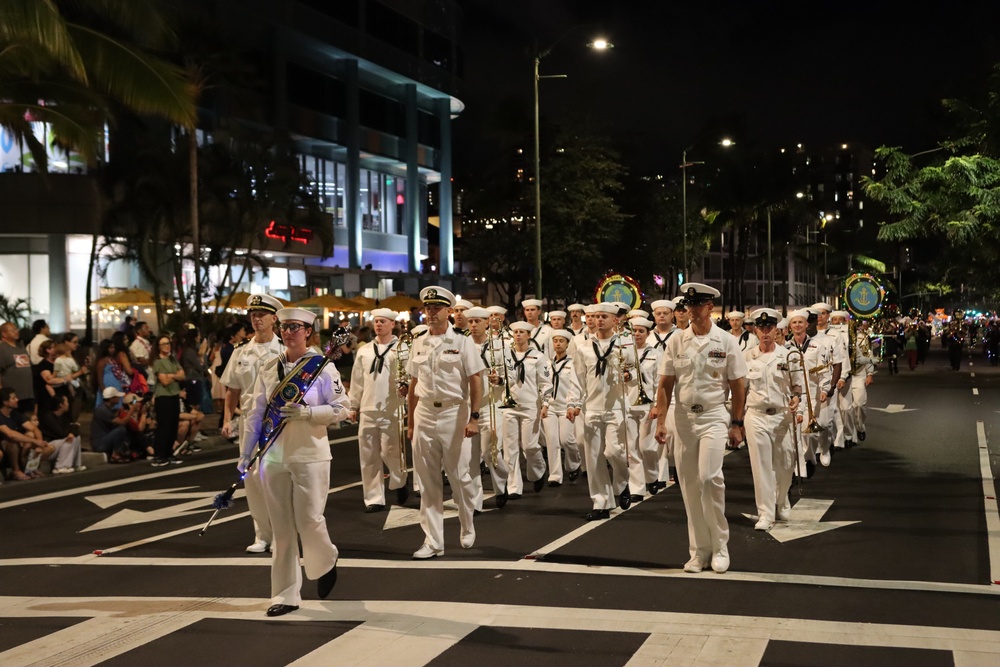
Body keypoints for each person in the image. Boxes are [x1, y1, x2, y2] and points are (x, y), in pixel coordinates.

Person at [243, 307, 349, 617]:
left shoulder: (322, 368)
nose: (289, 332)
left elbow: (343, 408)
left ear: (308, 332)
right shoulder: (268, 367)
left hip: (310, 454)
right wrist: (247, 451)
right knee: (281, 528)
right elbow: (256, 411)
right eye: (286, 326)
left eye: (296, 327)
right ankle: (285, 594)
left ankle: (326, 559)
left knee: (309, 520)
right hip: (274, 456)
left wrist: (309, 413)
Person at [654, 283, 747, 574]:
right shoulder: (677, 341)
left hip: (713, 416)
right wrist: (660, 420)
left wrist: (737, 423)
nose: (690, 311)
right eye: (687, 306)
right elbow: (665, 384)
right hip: (682, 417)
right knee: (690, 486)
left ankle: (720, 546)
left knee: (709, 479)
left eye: (697, 306)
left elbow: (738, 385)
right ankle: (699, 552)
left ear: (710, 308)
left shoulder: (725, 341)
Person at [405, 286, 486, 559]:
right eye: (427, 308)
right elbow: (414, 382)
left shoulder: (462, 342)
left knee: (459, 476)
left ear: (449, 311)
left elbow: (475, 379)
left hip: (454, 412)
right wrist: (410, 422)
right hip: (425, 412)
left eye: (436, 308)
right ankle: (433, 542)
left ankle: (466, 523)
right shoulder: (419, 341)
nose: (430, 313)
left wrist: (474, 417)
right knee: (427, 481)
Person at [221, 294, 283, 554]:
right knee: (252, 479)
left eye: (262, 315)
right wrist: (227, 419)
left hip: (277, 421)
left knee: (277, 478)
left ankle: (283, 534)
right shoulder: (241, 352)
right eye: (253, 315)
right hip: (248, 420)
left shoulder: (282, 350)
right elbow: (232, 389)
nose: (256, 319)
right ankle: (262, 535)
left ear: (274, 318)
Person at [568, 303, 633, 521]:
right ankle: (601, 502)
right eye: (595, 316)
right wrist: (573, 403)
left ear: (615, 320)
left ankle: (622, 483)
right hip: (592, 407)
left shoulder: (625, 345)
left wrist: (629, 376)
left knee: (614, 452)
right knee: (594, 457)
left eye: (604, 316)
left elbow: (635, 373)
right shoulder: (584, 347)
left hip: (617, 406)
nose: (599, 320)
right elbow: (577, 378)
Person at [742, 308, 800, 531]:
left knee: (786, 463)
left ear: (776, 329)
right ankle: (765, 513)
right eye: (761, 328)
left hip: (782, 415)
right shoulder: (746, 357)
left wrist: (796, 399)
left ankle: (782, 497)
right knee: (761, 467)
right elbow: (740, 388)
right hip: (756, 415)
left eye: (769, 328)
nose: (765, 332)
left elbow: (797, 384)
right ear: (755, 330)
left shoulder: (787, 355)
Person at [348, 308, 409, 513]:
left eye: (383, 321)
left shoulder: (401, 348)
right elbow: (357, 380)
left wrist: (407, 394)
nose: (379, 325)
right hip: (368, 407)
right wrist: (353, 405)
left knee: (391, 451)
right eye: (376, 321)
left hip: (392, 408)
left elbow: (409, 377)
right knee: (368, 455)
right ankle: (374, 498)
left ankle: (400, 480)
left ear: (393, 324)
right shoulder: (364, 351)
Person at [498, 320, 552, 498]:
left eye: (522, 332)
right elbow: (501, 376)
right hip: (509, 405)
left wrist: (545, 404)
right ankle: (514, 487)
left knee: (529, 445)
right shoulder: (505, 354)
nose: (518, 335)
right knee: (510, 448)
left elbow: (545, 382)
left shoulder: (537, 356)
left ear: (529, 335)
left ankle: (538, 470)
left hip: (530, 405)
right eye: (516, 332)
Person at [465, 306, 510, 509]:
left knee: (488, 452)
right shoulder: (462, 345)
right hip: (466, 406)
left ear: (486, 323)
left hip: (492, 403)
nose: (473, 325)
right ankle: (475, 503)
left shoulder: (500, 345)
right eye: (470, 322)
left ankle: (502, 483)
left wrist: (500, 379)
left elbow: (513, 374)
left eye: (477, 322)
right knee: (470, 457)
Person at [542, 329, 582, 486]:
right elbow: (544, 385)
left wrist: (576, 404)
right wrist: (544, 404)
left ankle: (574, 462)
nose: (558, 343)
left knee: (566, 438)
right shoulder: (547, 364)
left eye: (561, 341)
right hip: (551, 405)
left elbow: (577, 385)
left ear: (567, 344)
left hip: (567, 406)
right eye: (555, 341)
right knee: (552, 440)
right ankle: (555, 475)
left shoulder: (573, 364)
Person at [0, 387, 54, 479]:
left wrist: (39, 444)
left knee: (46, 446)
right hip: (5, 445)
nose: (17, 400)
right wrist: (34, 441)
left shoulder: (15, 414)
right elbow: (10, 434)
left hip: (19, 446)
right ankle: (16, 470)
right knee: (13, 442)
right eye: (13, 398)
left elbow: (35, 429)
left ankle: (30, 468)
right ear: (5, 402)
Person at [150, 335, 184, 467]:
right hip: (163, 396)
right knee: (164, 426)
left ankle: (169, 453)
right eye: (164, 344)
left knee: (173, 425)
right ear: (158, 347)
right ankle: (159, 455)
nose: (167, 346)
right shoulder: (158, 361)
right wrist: (174, 376)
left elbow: (182, 375)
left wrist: (171, 375)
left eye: (168, 343)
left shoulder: (172, 359)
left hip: (174, 394)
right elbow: (164, 381)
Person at [38, 394, 84, 473]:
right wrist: (73, 429)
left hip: (58, 443)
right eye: (66, 402)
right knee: (69, 439)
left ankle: (76, 464)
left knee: (76, 437)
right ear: (60, 405)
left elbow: (72, 427)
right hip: (49, 445)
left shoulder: (63, 416)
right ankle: (60, 466)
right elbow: (62, 433)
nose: (68, 404)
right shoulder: (49, 417)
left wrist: (73, 430)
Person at [90, 387, 137, 464]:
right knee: (121, 429)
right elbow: (122, 422)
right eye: (117, 396)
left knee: (125, 431)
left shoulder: (107, 409)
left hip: (104, 439)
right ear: (112, 398)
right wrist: (132, 410)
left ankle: (123, 451)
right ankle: (115, 455)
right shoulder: (102, 410)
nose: (119, 398)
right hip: (99, 444)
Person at [0, 321, 35, 415]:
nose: (16, 332)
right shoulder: (2, 349)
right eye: (13, 330)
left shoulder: (21, 347)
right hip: (13, 397)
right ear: (4, 333)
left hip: (27, 394)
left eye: (16, 329)